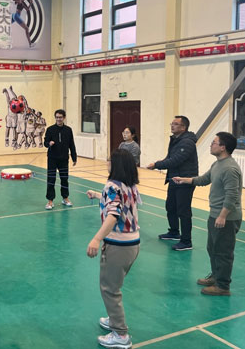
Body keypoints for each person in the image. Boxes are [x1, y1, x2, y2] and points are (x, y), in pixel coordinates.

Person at [173, 132, 242, 296]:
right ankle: (216, 276)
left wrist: (223, 215)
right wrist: (185, 179)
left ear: (223, 147)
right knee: (212, 248)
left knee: (223, 252)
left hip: (226, 218)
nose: (211, 145)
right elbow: (204, 179)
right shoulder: (218, 164)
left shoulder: (230, 169)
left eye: (214, 142)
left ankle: (223, 286)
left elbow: (232, 195)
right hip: (215, 214)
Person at [86, 149, 141, 349]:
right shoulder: (129, 185)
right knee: (114, 286)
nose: (107, 162)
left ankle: (120, 334)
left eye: (110, 160)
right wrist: (97, 195)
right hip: (133, 244)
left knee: (110, 289)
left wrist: (96, 239)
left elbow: (113, 214)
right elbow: (120, 203)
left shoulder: (112, 185)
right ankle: (114, 318)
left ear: (116, 165)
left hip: (118, 245)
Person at [147, 115, 198, 251]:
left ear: (183, 127)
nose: (172, 126)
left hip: (185, 181)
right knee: (171, 207)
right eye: (172, 123)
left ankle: (186, 241)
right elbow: (170, 157)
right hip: (174, 179)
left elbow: (176, 160)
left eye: (175, 124)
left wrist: (156, 165)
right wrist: (160, 162)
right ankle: (174, 232)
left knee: (183, 211)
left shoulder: (187, 142)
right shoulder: (176, 140)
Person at [44, 109, 77, 210]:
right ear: (55, 118)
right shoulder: (50, 129)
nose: (59, 119)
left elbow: (71, 144)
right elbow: (45, 143)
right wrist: (49, 143)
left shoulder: (68, 130)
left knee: (64, 179)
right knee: (51, 179)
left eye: (60, 117)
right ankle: (50, 201)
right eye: (57, 117)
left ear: (64, 118)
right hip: (52, 159)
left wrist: (74, 157)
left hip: (64, 159)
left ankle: (65, 198)